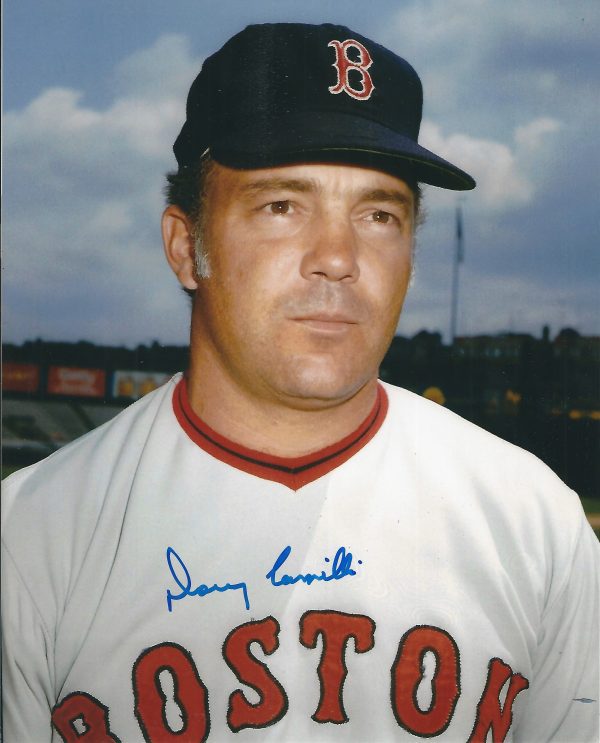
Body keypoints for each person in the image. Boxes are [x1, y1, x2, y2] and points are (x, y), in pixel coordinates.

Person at [2, 22, 598, 743]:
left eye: (379, 214)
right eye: (281, 206)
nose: (338, 257)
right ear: (187, 247)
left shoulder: (535, 521)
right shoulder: (28, 536)